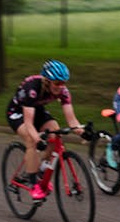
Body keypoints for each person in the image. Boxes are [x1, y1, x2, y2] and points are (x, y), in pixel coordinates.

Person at [6, 59, 86, 201]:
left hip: (37, 110)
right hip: (17, 113)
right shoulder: (32, 88)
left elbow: (72, 120)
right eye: (57, 83)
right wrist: (38, 139)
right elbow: (29, 123)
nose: (61, 87)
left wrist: (83, 132)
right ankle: (34, 184)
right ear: (47, 81)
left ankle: (41, 170)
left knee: (55, 131)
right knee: (31, 140)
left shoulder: (63, 91)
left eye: (63, 83)